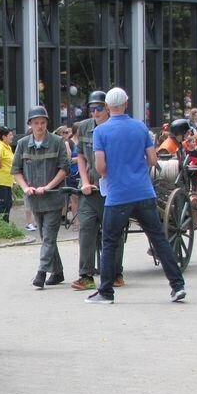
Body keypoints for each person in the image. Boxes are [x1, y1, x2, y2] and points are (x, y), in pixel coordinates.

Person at [85, 88, 186, 304]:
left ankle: (106, 291)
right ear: (126, 104)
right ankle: (177, 285)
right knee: (159, 238)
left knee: (110, 241)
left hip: (118, 194)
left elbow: (100, 167)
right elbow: (152, 159)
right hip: (143, 192)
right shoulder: (140, 127)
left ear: (106, 107)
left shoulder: (101, 132)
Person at [12, 105, 69, 289]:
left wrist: (48, 186)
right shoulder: (22, 144)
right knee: (46, 236)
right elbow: (16, 170)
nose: (40, 126)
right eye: (36, 123)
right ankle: (58, 272)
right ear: (30, 124)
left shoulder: (57, 142)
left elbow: (64, 169)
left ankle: (41, 273)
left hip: (53, 198)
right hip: (35, 200)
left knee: (49, 237)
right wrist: (26, 187)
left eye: (43, 123)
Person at [74, 90, 124, 290]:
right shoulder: (85, 128)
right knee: (86, 229)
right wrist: (84, 181)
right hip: (89, 190)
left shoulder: (116, 128)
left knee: (113, 231)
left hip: (112, 190)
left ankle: (115, 272)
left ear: (108, 108)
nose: (95, 112)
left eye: (99, 108)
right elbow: (80, 157)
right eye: (92, 108)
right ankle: (85, 275)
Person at [0, 127, 15, 221]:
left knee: (8, 203)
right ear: (4, 137)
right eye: (10, 135)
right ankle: (0, 225)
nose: (12, 137)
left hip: (7, 180)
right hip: (0, 180)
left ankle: (6, 224)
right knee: (1, 204)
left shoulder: (7, 146)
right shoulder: (0, 146)